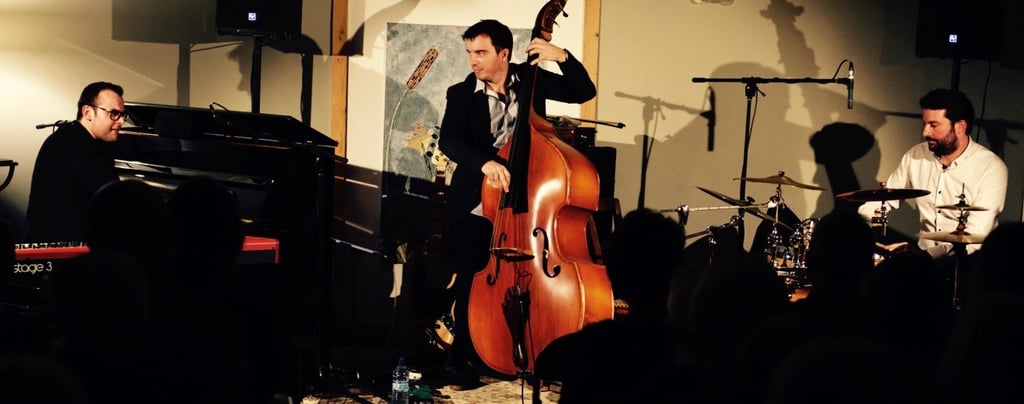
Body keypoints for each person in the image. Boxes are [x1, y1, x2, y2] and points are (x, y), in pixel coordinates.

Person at [436, 18, 596, 389]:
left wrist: (561, 56)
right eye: (470, 53)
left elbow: (583, 91)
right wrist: (486, 163)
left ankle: (534, 351)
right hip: (478, 201)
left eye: (481, 52)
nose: (473, 60)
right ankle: (467, 359)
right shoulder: (461, 93)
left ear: (504, 53)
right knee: (473, 280)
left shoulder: (531, 79)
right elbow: (450, 140)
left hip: (528, 199)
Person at [858, 88, 1007, 260]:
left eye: (934, 125)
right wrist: (860, 222)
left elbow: (976, 234)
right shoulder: (916, 155)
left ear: (960, 127)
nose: (925, 132)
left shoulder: (991, 167)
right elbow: (885, 199)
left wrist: (924, 257)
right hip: (924, 261)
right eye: (925, 124)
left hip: (970, 262)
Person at [25, 81, 126, 243]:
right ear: (88, 112)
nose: (121, 121)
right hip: (69, 249)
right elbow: (116, 202)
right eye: (114, 113)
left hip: (40, 240)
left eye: (122, 114)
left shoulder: (63, 136)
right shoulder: (90, 150)